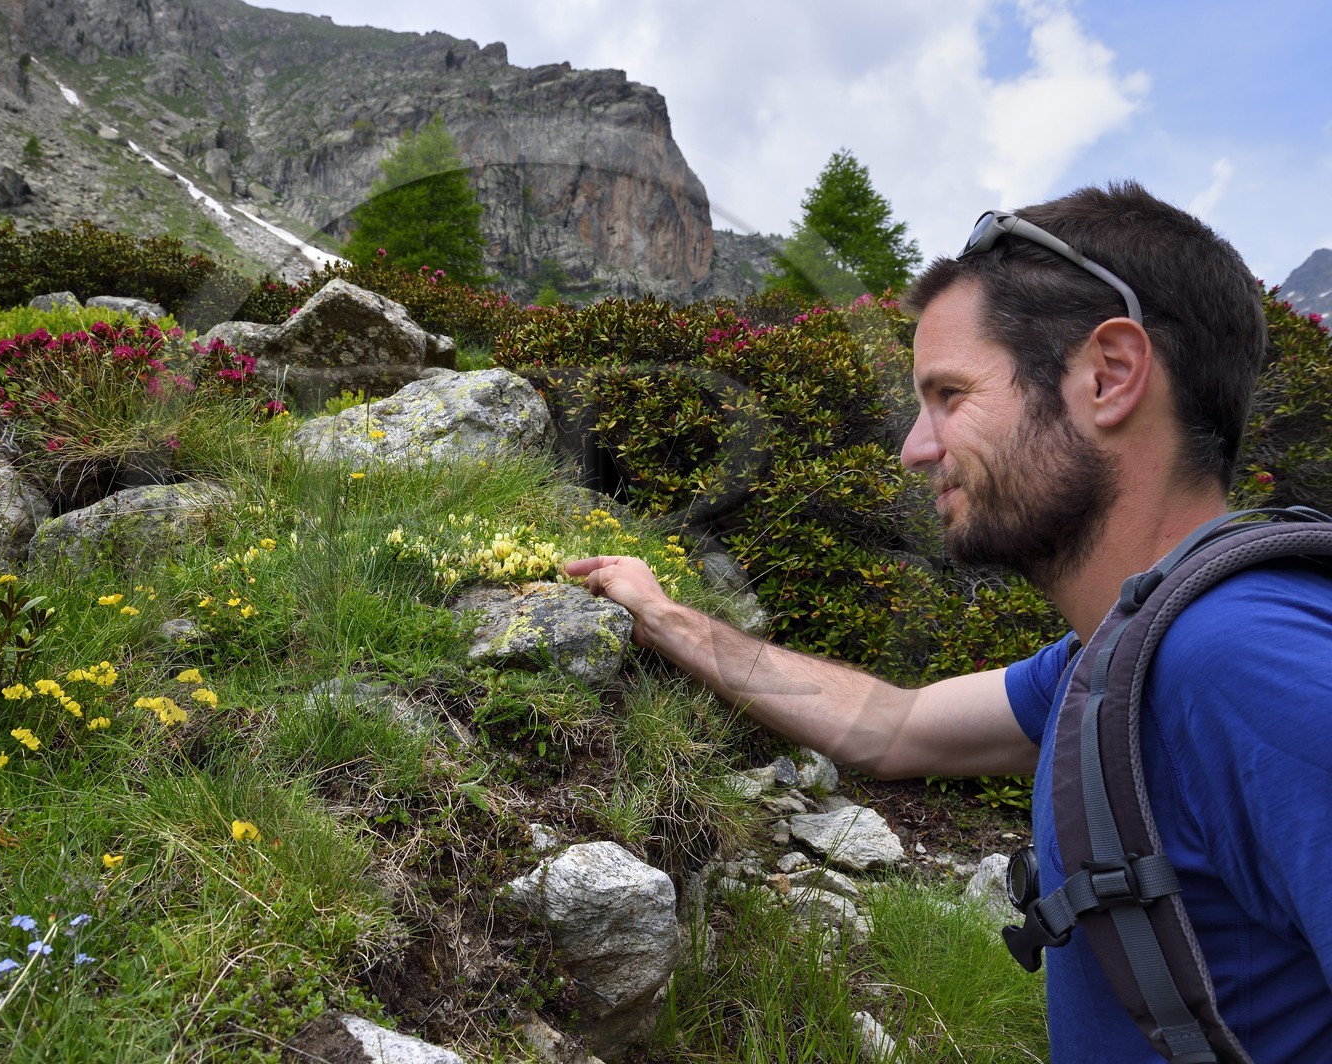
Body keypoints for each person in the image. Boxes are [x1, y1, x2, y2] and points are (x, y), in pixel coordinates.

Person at [564, 182, 1332, 1060]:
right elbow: (893, 727)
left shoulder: (1244, 664)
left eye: (951, 395)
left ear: (1109, 376)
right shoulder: (1118, 660)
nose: (915, 449)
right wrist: (665, 618)